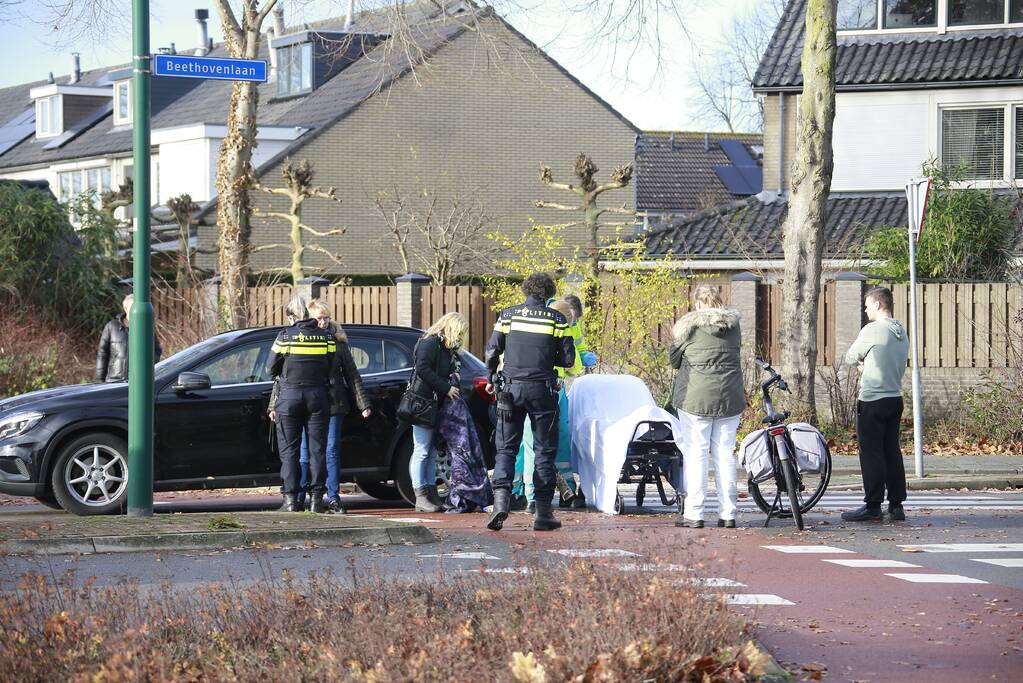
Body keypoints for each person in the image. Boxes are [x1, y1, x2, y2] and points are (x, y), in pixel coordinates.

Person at [485, 272, 575, 532]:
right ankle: (543, 513)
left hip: (510, 391)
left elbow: (492, 350)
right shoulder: (558, 320)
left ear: (525, 291)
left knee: (506, 449)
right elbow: (567, 360)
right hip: (543, 392)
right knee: (544, 452)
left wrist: (491, 375)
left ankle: (500, 503)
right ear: (548, 293)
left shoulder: (508, 315)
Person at [669, 284, 744, 529]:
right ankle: (728, 514)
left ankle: (695, 513)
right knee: (725, 455)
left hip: (695, 398)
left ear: (698, 304)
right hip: (730, 397)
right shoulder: (734, 328)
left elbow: (674, 360)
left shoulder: (688, 327)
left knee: (697, 455)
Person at [293, 300, 372, 514]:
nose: (323, 322)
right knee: (305, 452)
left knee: (331, 451)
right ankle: (300, 495)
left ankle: (333, 497)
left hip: (334, 403)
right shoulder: (302, 340)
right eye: (319, 318)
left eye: (326, 317)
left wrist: (362, 403)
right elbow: (285, 376)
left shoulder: (338, 342)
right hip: (308, 404)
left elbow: (352, 374)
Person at [841, 286, 910, 523]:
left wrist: (862, 366)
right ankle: (897, 505)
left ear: (878, 305)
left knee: (871, 453)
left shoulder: (872, 330)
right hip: (894, 397)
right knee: (892, 451)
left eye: (868, 304)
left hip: (872, 399)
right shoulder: (901, 330)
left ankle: (872, 505)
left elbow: (850, 356)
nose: (865, 309)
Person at [267, 295, 336, 513]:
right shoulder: (326, 337)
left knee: (289, 451)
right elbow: (332, 368)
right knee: (317, 450)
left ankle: (290, 501)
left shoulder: (285, 336)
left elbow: (270, 369)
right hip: (317, 397)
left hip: (289, 398)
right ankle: (316, 501)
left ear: (292, 316)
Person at [408, 312, 467, 513]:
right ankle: (420, 495)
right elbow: (422, 369)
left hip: (435, 404)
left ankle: (431, 493)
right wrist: (446, 387)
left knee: (431, 451)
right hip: (423, 403)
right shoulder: (430, 343)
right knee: (422, 450)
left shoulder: (444, 347)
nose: (460, 338)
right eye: (459, 333)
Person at [95, 294, 162, 382]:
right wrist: (99, 380)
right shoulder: (112, 326)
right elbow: (102, 354)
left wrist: (146, 366)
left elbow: (156, 351)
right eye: (132, 307)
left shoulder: (146, 328)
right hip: (114, 381)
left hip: (138, 382)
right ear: (126, 308)